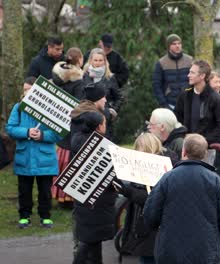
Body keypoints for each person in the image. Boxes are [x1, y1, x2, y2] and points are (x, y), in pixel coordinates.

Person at [143, 134, 220, 264]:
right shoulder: (214, 180)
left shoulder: (167, 178)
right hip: (206, 250)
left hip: (170, 250)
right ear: (204, 154)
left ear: (184, 151)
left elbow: (150, 215)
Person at [6, 77, 62, 229]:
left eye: (31, 89)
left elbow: (58, 134)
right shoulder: (18, 108)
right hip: (24, 158)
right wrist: (26, 132)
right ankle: (25, 216)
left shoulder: (50, 110)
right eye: (25, 89)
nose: (27, 92)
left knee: (45, 191)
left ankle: (45, 216)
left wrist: (43, 136)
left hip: (45, 158)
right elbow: (10, 128)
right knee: (24, 190)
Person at [113, 133, 178, 264]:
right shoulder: (169, 164)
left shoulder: (159, 167)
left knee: (150, 257)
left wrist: (127, 191)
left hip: (152, 227)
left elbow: (150, 198)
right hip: (157, 227)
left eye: (139, 148)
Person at [71, 111, 116, 264]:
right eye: (104, 123)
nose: (106, 125)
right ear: (98, 127)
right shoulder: (102, 145)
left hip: (82, 197)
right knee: (89, 240)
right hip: (99, 200)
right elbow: (112, 174)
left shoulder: (77, 140)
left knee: (92, 239)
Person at [51, 47, 86, 204]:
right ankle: (71, 196)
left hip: (60, 123)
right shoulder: (78, 81)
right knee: (72, 159)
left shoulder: (58, 77)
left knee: (62, 158)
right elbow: (79, 104)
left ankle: (60, 196)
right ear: (79, 60)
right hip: (74, 125)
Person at [174, 60, 220, 146]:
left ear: (202, 76)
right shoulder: (184, 95)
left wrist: (203, 141)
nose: (188, 75)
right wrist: (182, 136)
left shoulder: (216, 99)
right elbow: (176, 118)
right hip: (185, 145)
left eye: (192, 73)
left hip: (207, 149)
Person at [83, 48, 122, 140]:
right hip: (86, 119)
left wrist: (112, 111)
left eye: (101, 60)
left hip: (105, 121)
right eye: (95, 60)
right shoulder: (84, 76)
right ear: (90, 61)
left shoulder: (110, 77)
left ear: (105, 61)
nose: (98, 63)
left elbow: (119, 97)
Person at [152, 34, 193, 110]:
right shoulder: (161, 63)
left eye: (179, 43)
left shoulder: (190, 60)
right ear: (168, 46)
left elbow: (196, 80)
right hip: (170, 104)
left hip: (188, 103)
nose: (177, 46)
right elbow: (156, 85)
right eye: (174, 44)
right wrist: (164, 104)